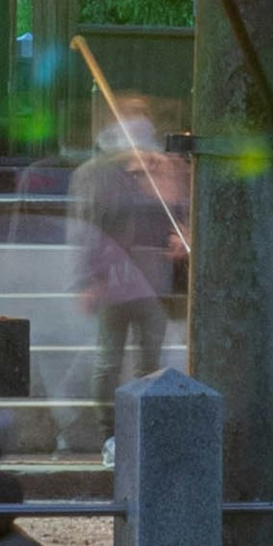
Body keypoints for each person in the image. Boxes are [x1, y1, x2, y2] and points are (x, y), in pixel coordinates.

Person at [69, 112, 184, 435]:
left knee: (150, 361)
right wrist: (89, 278)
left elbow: (176, 217)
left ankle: (143, 430)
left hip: (153, 279)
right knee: (110, 361)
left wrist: (179, 236)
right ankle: (110, 433)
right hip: (114, 278)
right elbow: (90, 228)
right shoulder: (99, 176)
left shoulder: (162, 172)